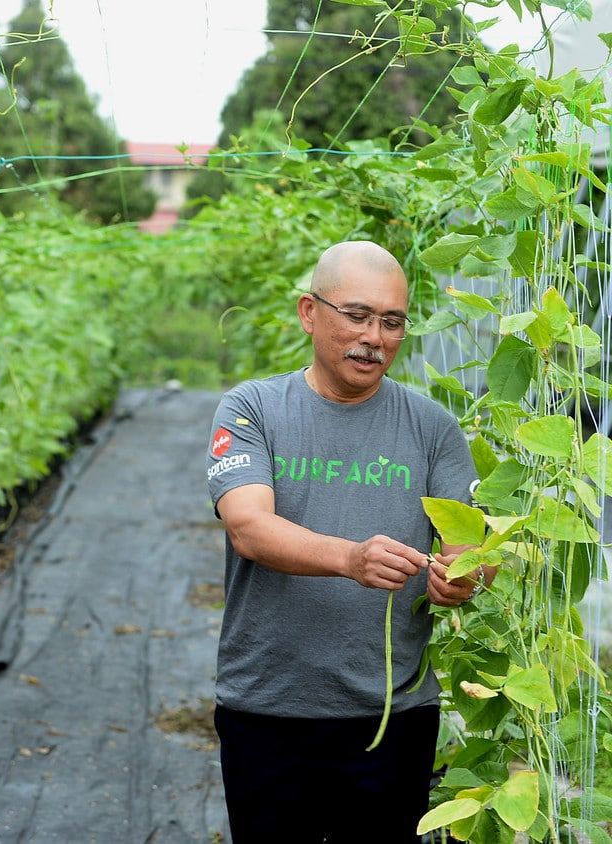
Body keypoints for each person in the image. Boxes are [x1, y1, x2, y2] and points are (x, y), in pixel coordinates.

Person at [206, 241, 487, 843]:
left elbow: (471, 550)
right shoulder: (252, 410)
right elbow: (249, 527)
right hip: (269, 708)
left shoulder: (432, 428)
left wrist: (461, 578)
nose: (374, 338)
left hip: (394, 715)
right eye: (356, 315)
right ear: (310, 313)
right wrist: (350, 559)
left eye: (392, 322)